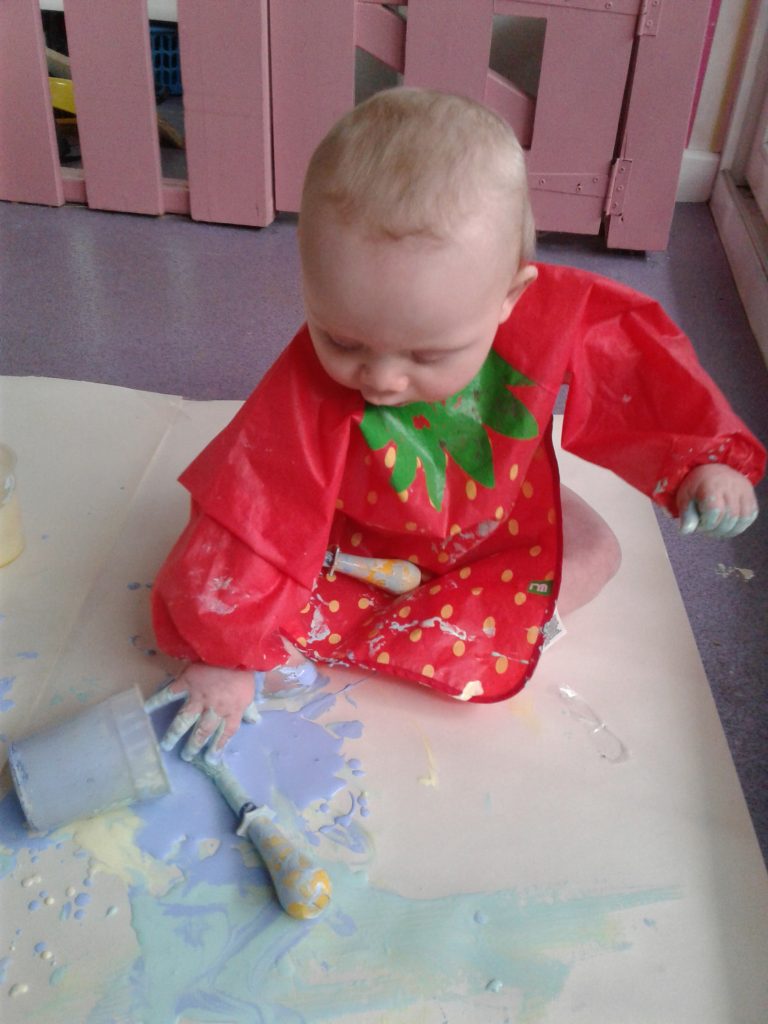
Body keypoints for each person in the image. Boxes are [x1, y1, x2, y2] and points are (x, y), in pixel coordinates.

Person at [148, 88, 765, 763]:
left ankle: (493, 619)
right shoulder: (307, 387)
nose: (382, 378)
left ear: (511, 297)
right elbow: (252, 504)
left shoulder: (549, 310)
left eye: (427, 355)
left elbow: (636, 360)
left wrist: (706, 459)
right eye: (343, 340)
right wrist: (224, 653)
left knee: (598, 550)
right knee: (264, 596)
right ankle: (435, 623)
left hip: (498, 517)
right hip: (350, 537)